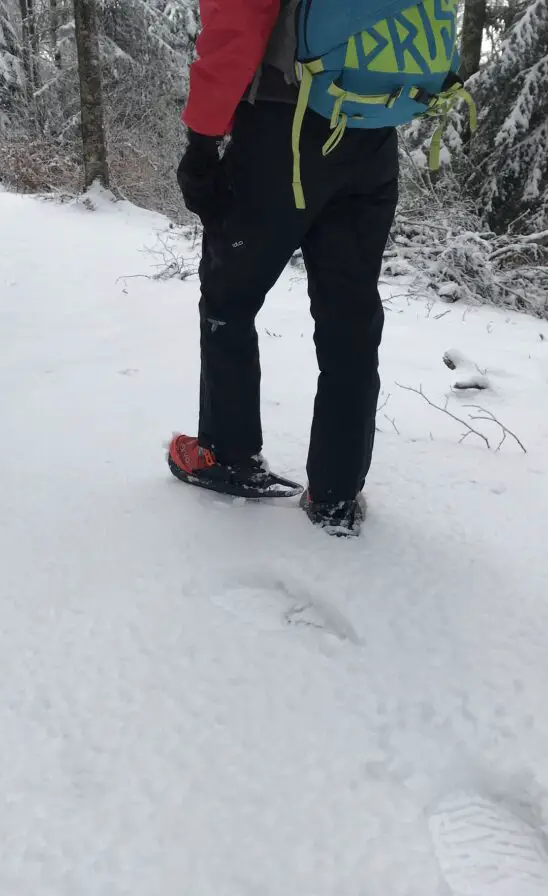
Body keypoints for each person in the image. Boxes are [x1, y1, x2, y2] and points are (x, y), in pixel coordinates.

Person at [167, 0, 401, 537]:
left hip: (286, 125)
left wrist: (202, 141)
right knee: (351, 312)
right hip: (372, 125)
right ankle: (337, 493)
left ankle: (225, 454)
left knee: (229, 294)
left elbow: (237, 27)